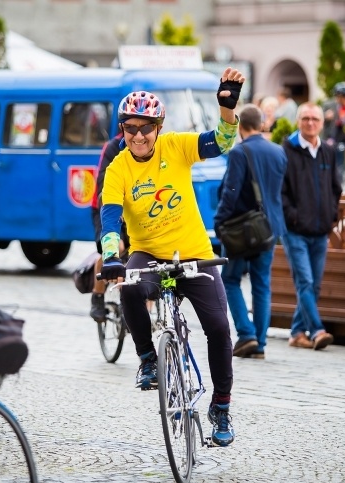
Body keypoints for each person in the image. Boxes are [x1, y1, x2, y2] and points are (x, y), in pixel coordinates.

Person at [98, 67, 245, 447]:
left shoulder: (176, 146)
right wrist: (112, 256)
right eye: (130, 128)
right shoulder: (118, 169)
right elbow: (110, 218)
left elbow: (223, 142)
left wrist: (227, 109)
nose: (139, 135)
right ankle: (148, 358)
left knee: (218, 329)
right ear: (123, 130)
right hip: (148, 253)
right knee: (128, 287)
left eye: (146, 127)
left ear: (158, 127)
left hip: (195, 254)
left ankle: (222, 407)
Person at [214, 104, 287, 360]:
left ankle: (246, 334)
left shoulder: (239, 152)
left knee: (230, 279)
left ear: (241, 126)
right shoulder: (279, 151)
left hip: (241, 229)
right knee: (261, 283)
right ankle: (260, 343)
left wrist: (219, 221)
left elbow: (230, 192)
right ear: (262, 124)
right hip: (269, 229)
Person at [280, 102, 342, 350]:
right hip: (295, 231)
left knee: (314, 284)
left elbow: (336, 188)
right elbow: (279, 191)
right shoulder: (286, 150)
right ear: (298, 121)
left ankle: (296, 332)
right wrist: (292, 216)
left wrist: (332, 216)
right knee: (305, 282)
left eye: (315, 119)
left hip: (320, 230)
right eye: (305, 118)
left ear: (321, 123)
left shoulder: (327, 151)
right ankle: (317, 330)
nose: (310, 123)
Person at [89, 131, 125, 322]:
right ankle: (97, 295)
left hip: (135, 211)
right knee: (115, 248)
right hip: (106, 206)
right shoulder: (113, 147)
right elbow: (103, 184)